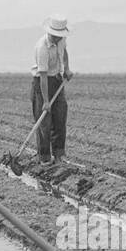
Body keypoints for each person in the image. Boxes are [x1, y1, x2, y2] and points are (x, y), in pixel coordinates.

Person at [30, 16, 73, 164]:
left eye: (60, 36)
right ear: (50, 33)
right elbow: (42, 76)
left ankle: (59, 155)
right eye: (56, 36)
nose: (58, 39)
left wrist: (66, 69)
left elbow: (65, 52)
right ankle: (44, 158)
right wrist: (46, 101)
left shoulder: (61, 41)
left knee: (60, 117)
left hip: (56, 79)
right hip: (42, 83)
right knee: (45, 123)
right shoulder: (42, 47)